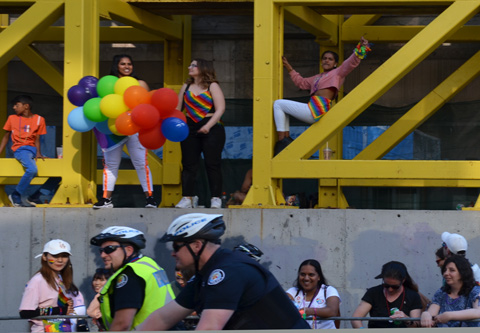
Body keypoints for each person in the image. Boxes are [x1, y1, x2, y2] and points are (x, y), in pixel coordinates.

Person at [137, 213, 310, 330]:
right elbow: (163, 318)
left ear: (196, 246)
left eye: (176, 246)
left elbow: (208, 328)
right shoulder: (203, 276)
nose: (173, 253)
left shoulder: (227, 273)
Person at [273, 37, 371, 154]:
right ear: (321, 61)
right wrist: (288, 67)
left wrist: (361, 47)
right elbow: (301, 82)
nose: (326, 61)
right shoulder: (316, 78)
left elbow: (350, 62)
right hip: (313, 109)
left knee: (278, 104)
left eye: (330, 59)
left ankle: (282, 139)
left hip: (316, 110)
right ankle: (285, 139)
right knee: (285, 109)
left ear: (335, 64)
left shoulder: (337, 73)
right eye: (324, 58)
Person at [93, 54, 156, 209]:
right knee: (110, 164)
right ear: (116, 66)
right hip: (113, 127)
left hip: (135, 127)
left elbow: (147, 106)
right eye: (123, 64)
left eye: (129, 63)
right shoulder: (108, 83)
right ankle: (106, 200)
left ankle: (150, 199)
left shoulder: (139, 83)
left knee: (141, 163)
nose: (127, 66)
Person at [90, 226, 175, 331]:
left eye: (109, 249)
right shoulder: (149, 265)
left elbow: (122, 324)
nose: (103, 255)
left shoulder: (130, 274)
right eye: (101, 250)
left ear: (128, 250)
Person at [175, 59, 226, 209]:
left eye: (193, 65)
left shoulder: (213, 86)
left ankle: (215, 198)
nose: (189, 67)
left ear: (203, 68)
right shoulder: (186, 86)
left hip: (212, 126)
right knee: (189, 164)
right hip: (189, 126)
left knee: (212, 163)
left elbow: (221, 109)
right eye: (190, 64)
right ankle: (187, 197)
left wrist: (208, 126)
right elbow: (178, 109)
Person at [19, 239, 82, 332]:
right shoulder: (37, 280)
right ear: (44, 257)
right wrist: (60, 310)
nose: (60, 260)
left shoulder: (60, 278)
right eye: (55, 255)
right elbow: (25, 313)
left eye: (64, 256)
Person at [0, 95, 46, 207]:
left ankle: (36, 196)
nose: (14, 107)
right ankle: (16, 194)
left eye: (17, 105)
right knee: (32, 170)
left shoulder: (40, 119)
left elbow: (37, 139)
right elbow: (6, 137)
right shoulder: (12, 118)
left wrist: (39, 153)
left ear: (26, 106)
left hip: (34, 150)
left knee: (57, 172)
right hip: (20, 150)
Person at [351, 261, 422, 329]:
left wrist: (407, 319)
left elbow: (416, 325)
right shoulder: (373, 292)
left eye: (395, 287)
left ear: (403, 281)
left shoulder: (413, 295)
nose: (390, 289)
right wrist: (362, 330)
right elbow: (356, 319)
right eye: (386, 285)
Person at [421, 255, 480, 327]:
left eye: (452, 270)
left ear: (462, 273)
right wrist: (426, 314)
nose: (446, 273)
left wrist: (450, 315)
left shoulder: (475, 291)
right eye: (445, 270)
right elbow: (432, 314)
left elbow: (478, 311)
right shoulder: (441, 292)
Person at [286, 259, 341, 329]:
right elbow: (284, 310)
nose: (306, 278)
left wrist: (309, 311)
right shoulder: (293, 292)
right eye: (303, 274)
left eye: (311, 275)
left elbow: (332, 311)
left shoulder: (328, 290)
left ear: (319, 277)